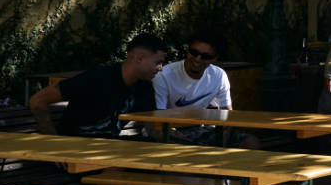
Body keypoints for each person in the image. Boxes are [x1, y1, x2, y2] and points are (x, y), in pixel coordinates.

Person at [30, 33, 169, 138]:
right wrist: (53, 142)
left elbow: (151, 129)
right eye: (158, 62)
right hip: (76, 151)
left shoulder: (144, 86)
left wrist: (172, 138)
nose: (161, 68)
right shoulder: (97, 78)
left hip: (109, 152)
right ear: (139, 58)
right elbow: (37, 100)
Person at [151, 28, 252, 145]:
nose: (198, 59)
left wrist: (224, 141)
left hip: (200, 129)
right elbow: (158, 121)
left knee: (250, 142)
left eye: (206, 56)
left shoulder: (218, 75)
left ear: (215, 58)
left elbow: (227, 114)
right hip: (172, 130)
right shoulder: (164, 76)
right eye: (193, 52)